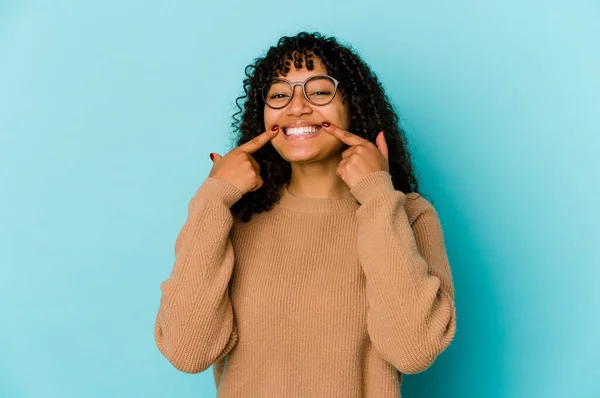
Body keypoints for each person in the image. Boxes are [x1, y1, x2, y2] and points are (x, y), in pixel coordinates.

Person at [154, 31, 457, 397]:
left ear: (353, 106)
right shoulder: (232, 218)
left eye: (319, 91)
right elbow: (189, 352)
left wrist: (377, 194)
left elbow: (414, 350)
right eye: (280, 94)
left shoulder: (408, 215)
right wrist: (213, 199)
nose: (296, 107)